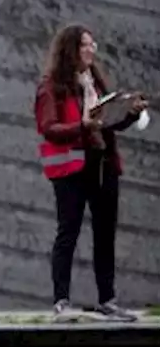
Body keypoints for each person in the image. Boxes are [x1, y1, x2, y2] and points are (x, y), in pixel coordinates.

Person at [34, 24, 148, 322]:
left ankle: (107, 300)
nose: (92, 49)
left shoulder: (94, 82)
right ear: (71, 49)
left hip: (103, 164)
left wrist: (130, 112)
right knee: (67, 232)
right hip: (71, 167)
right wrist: (81, 127)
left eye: (92, 44)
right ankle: (61, 301)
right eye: (86, 44)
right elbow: (49, 128)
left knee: (105, 233)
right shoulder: (52, 86)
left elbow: (107, 124)